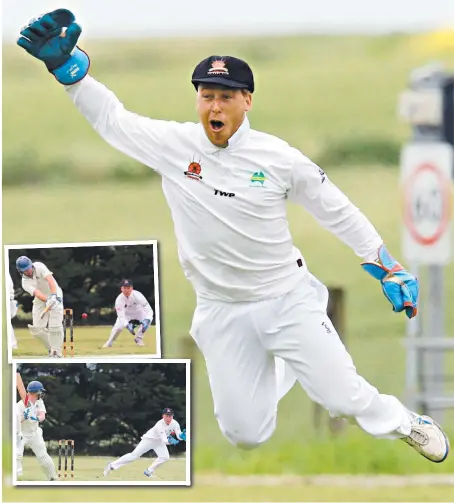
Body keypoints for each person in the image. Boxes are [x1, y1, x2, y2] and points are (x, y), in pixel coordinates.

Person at [17, 9, 450, 463]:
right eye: (207, 96)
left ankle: (405, 422)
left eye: (226, 96)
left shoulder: (278, 158)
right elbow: (112, 120)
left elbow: (338, 211)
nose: (215, 107)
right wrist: (70, 74)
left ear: (247, 101)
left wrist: (386, 266)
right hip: (221, 309)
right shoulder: (174, 146)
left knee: (342, 397)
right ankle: (284, 361)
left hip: (286, 298)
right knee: (246, 434)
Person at [103, 408, 187, 479]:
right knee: (133, 456)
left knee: (165, 457)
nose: (169, 418)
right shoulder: (159, 425)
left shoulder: (175, 423)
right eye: (166, 416)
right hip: (149, 440)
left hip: (158, 442)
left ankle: (149, 471)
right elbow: (165, 440)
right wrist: (171, 441)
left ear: (173, 416)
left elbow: (178, 434)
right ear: (163, 416)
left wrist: (182, 436)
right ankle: (111, 465)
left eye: (170, 416)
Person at [16, 256, 64, 358]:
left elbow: (50, 280)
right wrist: (47, 300)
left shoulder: (39, 266)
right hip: (41, 299)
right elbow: (37, 293)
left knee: (55, 324)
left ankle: (56, 352)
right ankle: (51, 348)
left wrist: (54, 296)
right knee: (36, 329)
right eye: (25, 271)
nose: (28, 271)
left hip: (55, 292)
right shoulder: (25, 282)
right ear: (20, 271)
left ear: (31, 265)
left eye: (28, 268)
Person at [16, 380, 58, 481]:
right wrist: (24, 416)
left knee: (43, 455)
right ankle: (15, 478)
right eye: (40, 392)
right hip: (21, 434)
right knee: (17, 455)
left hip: (35, 433)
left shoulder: (39, 402)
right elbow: (15, 422)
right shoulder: (20, 405)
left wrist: (36, 418)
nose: (41, 394)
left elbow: (42, 416)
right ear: (35, 392)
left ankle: (53, 478)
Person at [103, 279, 154, 348]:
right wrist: (127, 325)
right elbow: (121, 316)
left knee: (149, 320)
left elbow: (149, 310)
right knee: (118, 328)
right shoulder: (119, 300)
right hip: (126, 314)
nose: (127, 290)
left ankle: (138, 338)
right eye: (124, 288)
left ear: (132, 288)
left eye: (128, 288)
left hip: (139, 312)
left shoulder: (138, 295)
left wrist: (147, 320)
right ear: (121, 289)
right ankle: (109, 342)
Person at [9, 272, 18, 350]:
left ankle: (12, 345)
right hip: (10, 300)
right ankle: (12, 344)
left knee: (6, 323)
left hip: (9, 301)